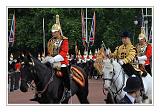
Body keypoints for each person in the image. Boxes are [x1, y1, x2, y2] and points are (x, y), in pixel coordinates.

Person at [109, 31, 148, 99]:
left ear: (128, 38)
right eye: (122, 38)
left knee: (137, 75)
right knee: (111, 76)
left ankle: (142, 91)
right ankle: (110, 94)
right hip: (119, 65)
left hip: (129, 65)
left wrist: (124, 61)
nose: (123, 39)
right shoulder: (119, 47)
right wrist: (109, 54)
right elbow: (114, 54)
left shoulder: (132, 48)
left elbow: (131, 56)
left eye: (125, 38)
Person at [42, 15, 71, 100]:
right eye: (52, 32)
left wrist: (54, 59)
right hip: (52, 60)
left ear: (58, 32)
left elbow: (63, 53)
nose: (53, 33)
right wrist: (47, 58)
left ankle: (67, 90)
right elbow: (50, 52)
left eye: (54, 32)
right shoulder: (51, 41)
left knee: (64, 71)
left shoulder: (64, 40)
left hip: (61, 61)